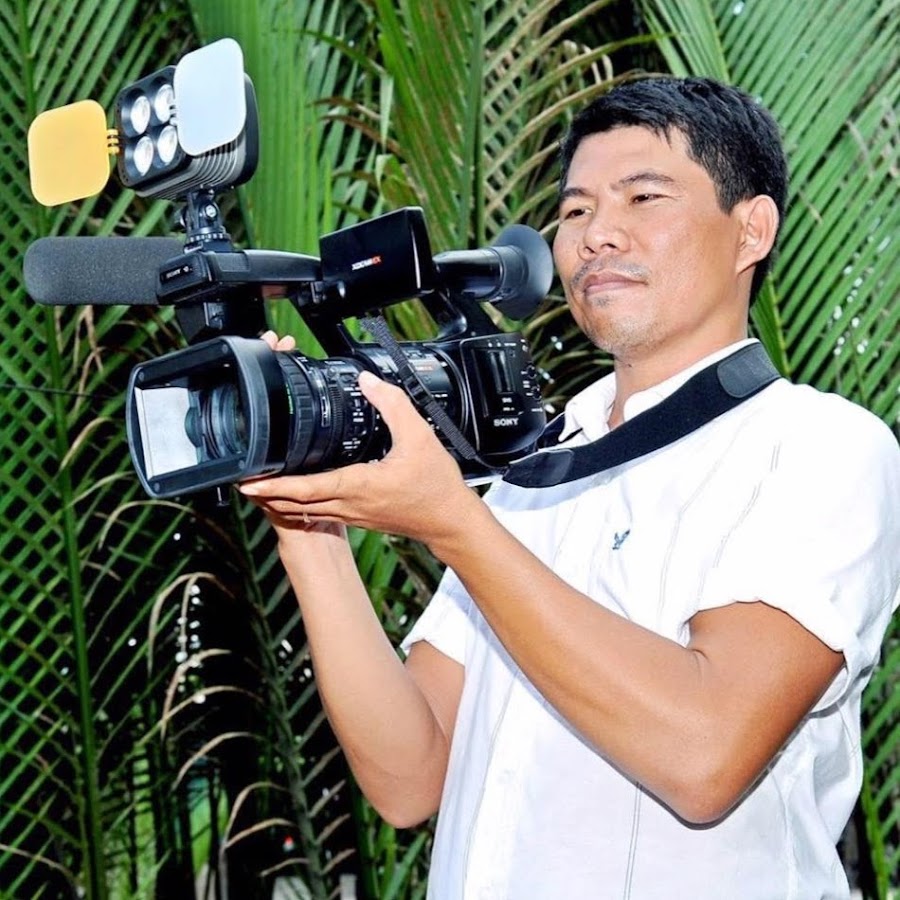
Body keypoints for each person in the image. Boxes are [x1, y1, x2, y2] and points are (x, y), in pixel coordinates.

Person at [239, 77, 900, 898]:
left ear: (750, 229)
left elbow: (704, 754)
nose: (597, 235)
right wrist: (308, 524)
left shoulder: (818, 445)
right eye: (577, 209)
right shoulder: (535, 469)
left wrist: (453, 522)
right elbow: (410, 778)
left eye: (643, 198)